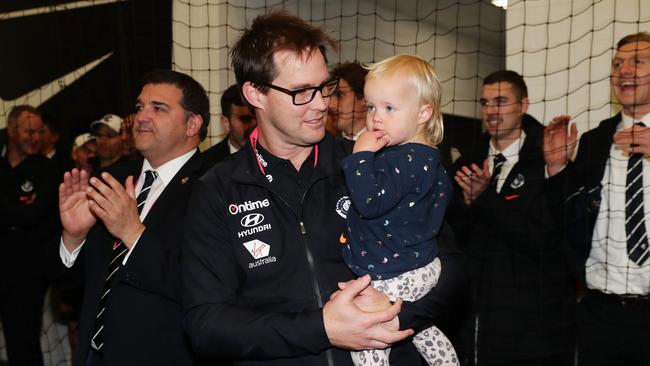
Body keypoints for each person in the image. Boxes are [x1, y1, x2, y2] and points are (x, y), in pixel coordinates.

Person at [183, 11, 465, 366]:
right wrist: (322, 328)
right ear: (255, 93)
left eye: (325, 86)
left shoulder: (370, 165)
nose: (322, 104)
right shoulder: (219, 190)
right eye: (302, 92)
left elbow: (452, 270)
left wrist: (394, 317)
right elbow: (206, 325)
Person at [55, 69, 211, 366]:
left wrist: (133, 234)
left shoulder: (215, 187)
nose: (141, 116)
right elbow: (70, 288)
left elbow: (199, 285)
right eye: (140, 107)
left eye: (158, 108)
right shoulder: (111, 178)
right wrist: (73, 239)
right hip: (92, 353)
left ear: (192, 124)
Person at [448, 70, 574, 365]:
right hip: (474, 318)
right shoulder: (467, 163)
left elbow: (544, 240)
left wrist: (484, 200)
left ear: (524, 105)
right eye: (485, 102)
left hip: (531, 324)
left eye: (501, 101)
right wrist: (466, 205)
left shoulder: (546, 160)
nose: (491, 111)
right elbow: (454, 239)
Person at [341, 54, 458, 365]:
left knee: (369, 339)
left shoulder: (402, 160)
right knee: (422, 330)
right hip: (422, 265)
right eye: (371, 107)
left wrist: (360, 157)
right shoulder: (429, 159)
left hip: (395, 274)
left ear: (423, 113)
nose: (376, 118)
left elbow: (369, 203)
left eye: (389, 108)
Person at [545, 31, 650, 366]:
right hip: (599, 315)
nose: (624, 71)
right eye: (618, 63)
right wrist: (557, 168)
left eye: (638, 61)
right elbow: (561, 224)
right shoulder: (594, 142)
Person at [0, 105, 59, 366]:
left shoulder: (47, 170)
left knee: (23, 341)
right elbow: (20, 215)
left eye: (38, 132)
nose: (35, 137)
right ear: (11, 131)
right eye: (29, 131)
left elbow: (32, 216)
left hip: (27, 272)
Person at [202, 84, 256, 167]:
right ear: (226, 123)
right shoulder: (205, 165)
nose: (254, 124)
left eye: (258, 118)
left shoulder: (279, 155)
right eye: (245, 119)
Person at [328, 61, 368, 140]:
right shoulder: (329, 145)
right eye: (329, 97)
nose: (330, 105)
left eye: (340, 95)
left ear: (364, 99)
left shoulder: (387, 147)